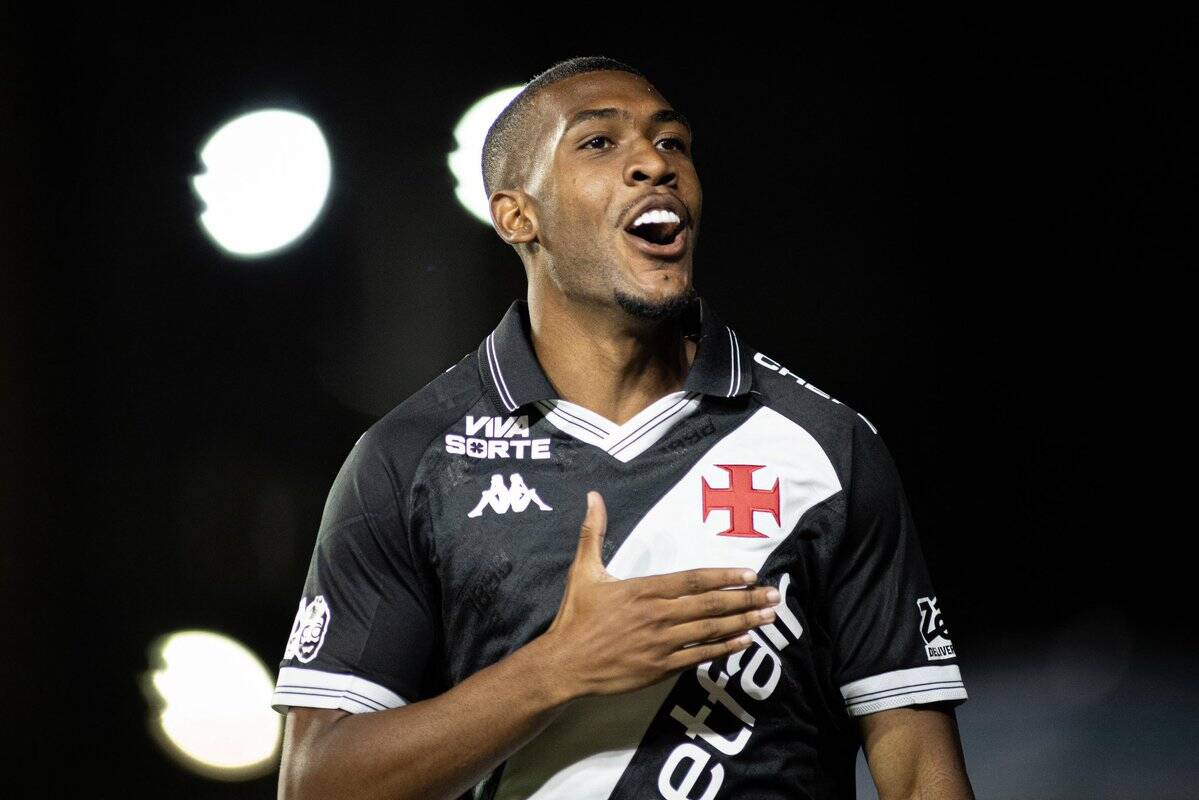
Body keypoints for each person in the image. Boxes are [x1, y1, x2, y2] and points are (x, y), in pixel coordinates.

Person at [272, 55, 974, 800]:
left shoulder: (827, 446)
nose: (653, 163)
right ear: (518, 216)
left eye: (672, 142)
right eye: (598, 143)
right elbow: (317, 780)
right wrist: (559, 667)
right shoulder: (408, 459)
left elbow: (920, 769)